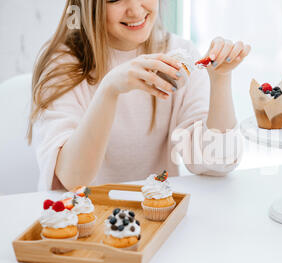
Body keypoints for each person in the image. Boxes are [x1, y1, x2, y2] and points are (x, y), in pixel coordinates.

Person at [28, 0, 251, 191]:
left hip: (156, 220)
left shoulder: (180, 54)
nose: (135, 10)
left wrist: (220, 80)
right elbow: (72, 178)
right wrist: (109, 90)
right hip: (83, 222)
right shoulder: (63, 65)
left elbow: (217, 161)